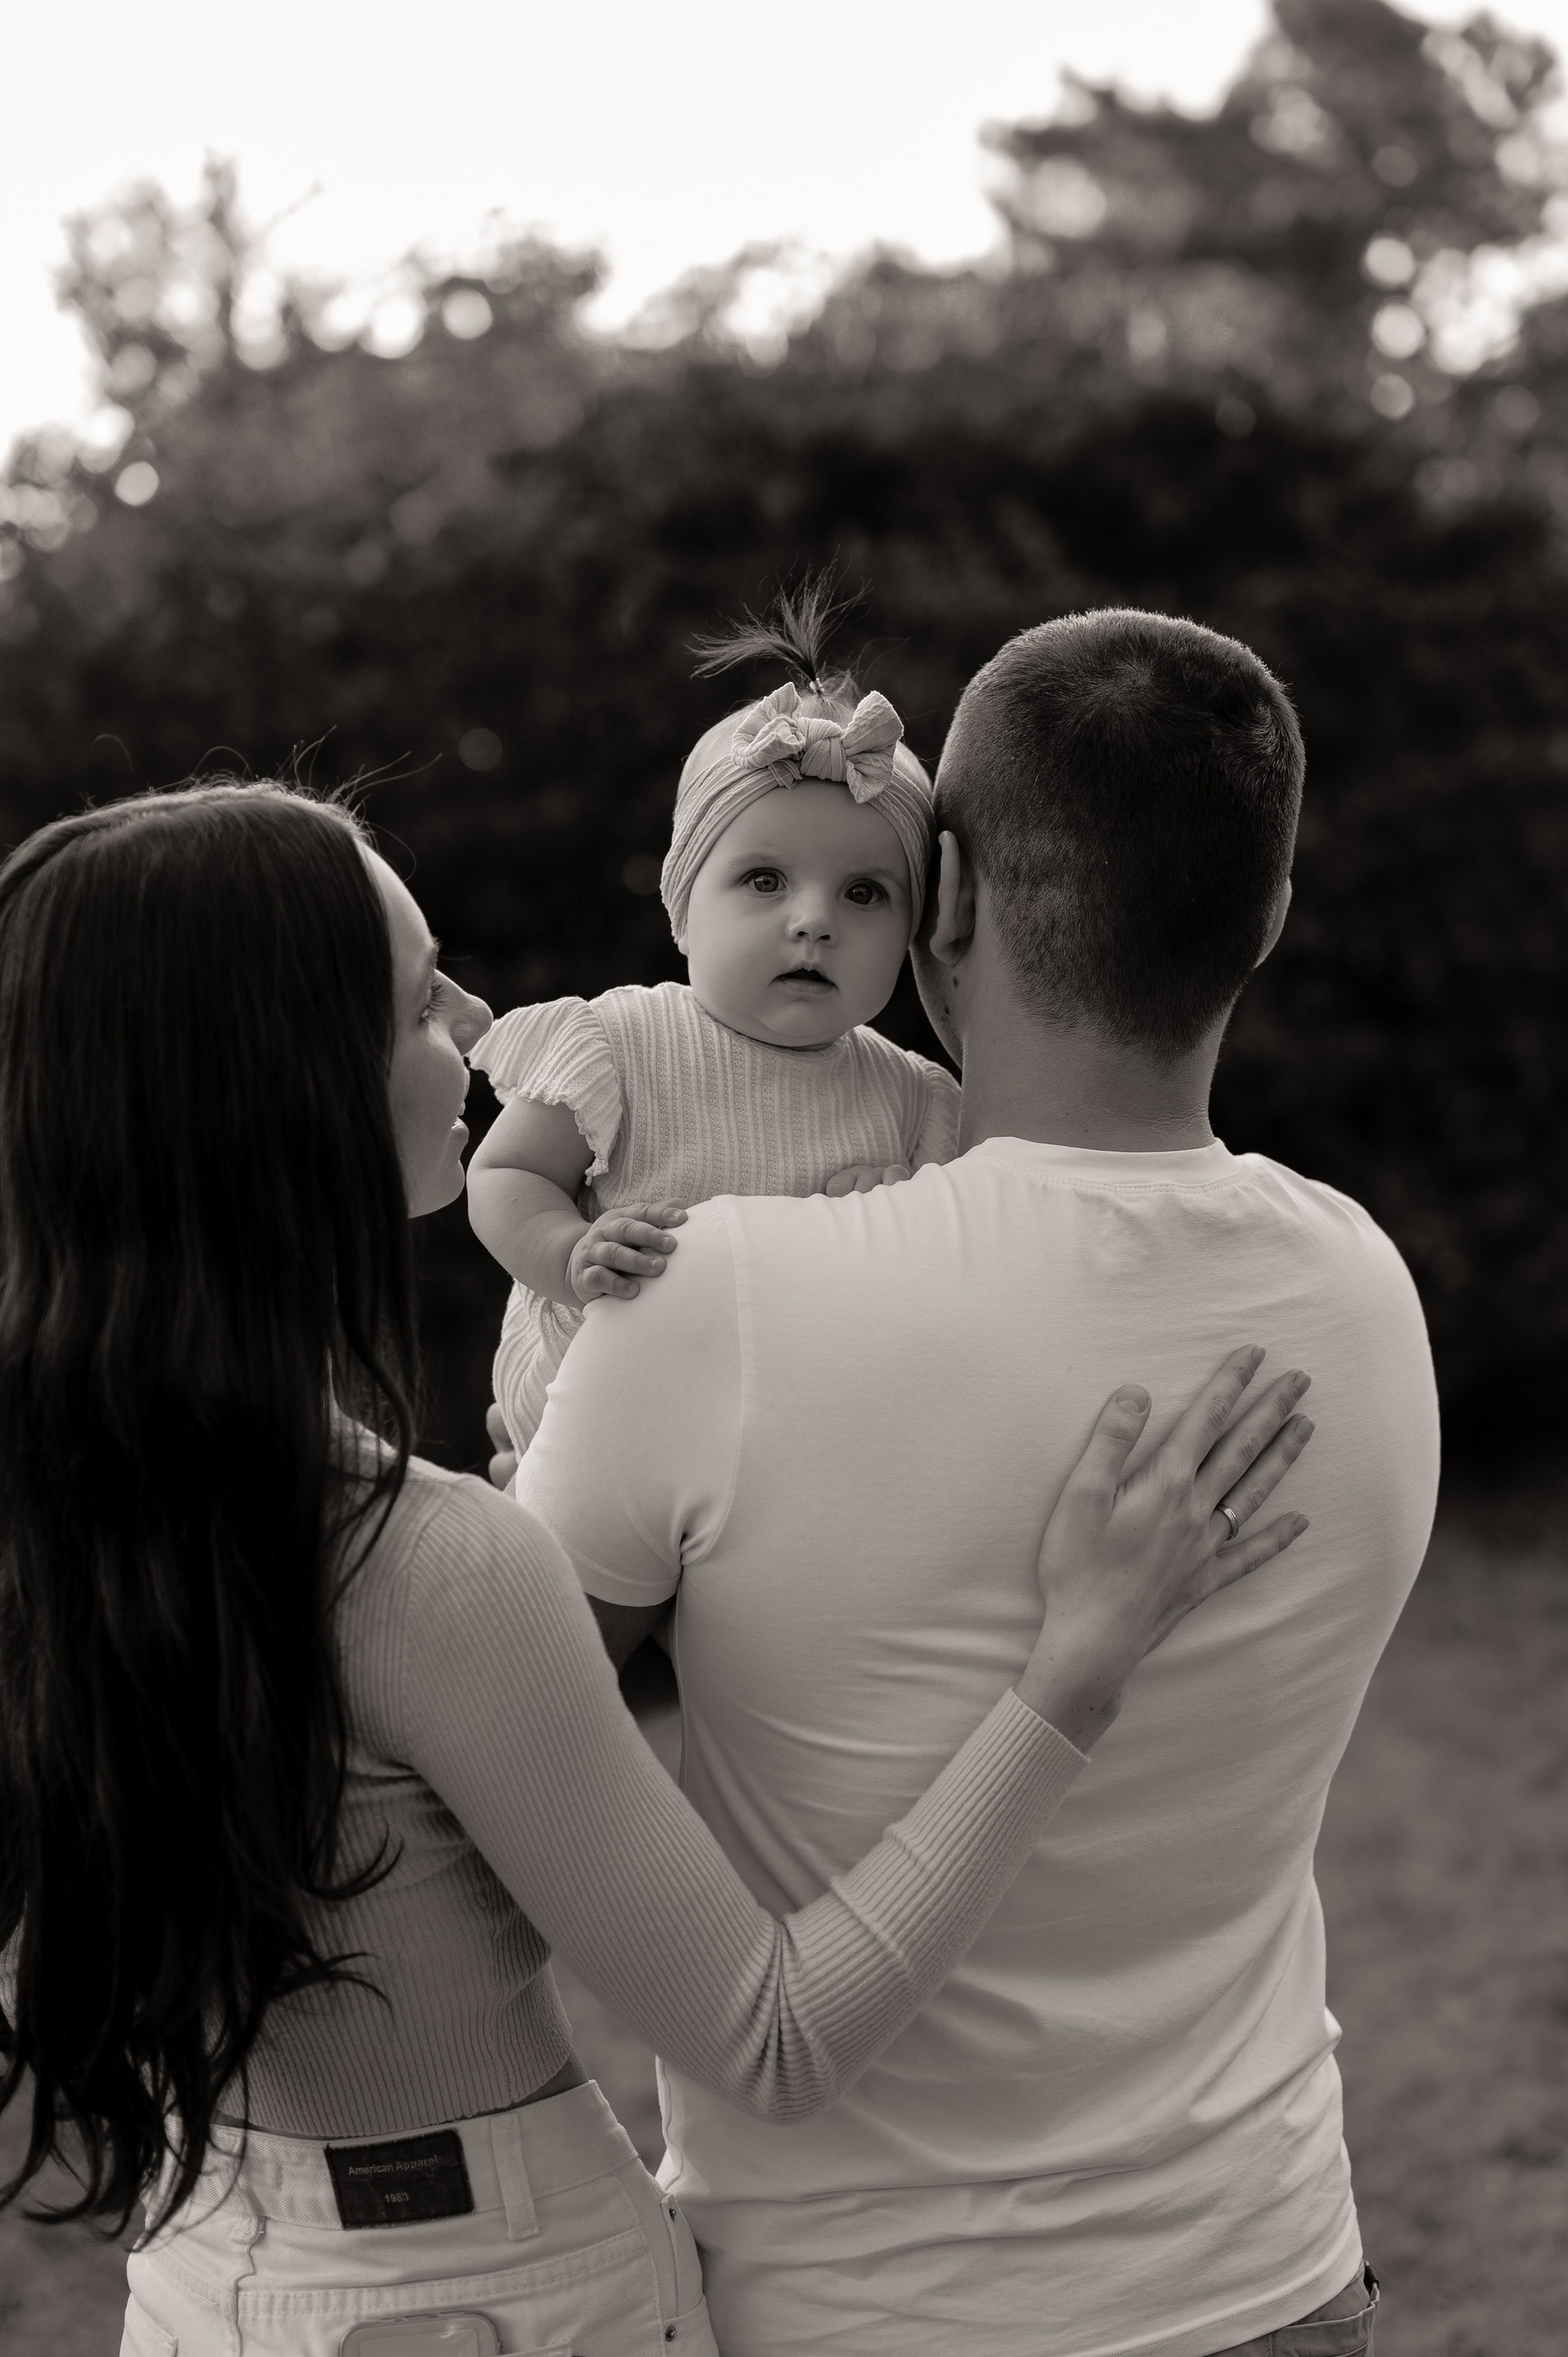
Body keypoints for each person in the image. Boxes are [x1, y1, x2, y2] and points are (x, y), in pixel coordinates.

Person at [0, 782, 1315, 2357]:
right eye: (420, 999)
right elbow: (774, 2034)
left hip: (204, 2288)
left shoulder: (59, 1522)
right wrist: (1075, 1666)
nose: (478, 1024)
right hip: (508, 2299)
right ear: (282, 1090)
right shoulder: (423, 1569)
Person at [516, 610, 1441, 2357]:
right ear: (1266, 920)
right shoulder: (1362, 1292)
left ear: (942, 903)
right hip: (1273, 2277)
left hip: (864, 2312)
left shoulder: (713, 1296)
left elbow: (469, 1768)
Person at [466, 581, 959, 1459]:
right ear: (683, 907)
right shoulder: (619, 1044)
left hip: (796, 1444)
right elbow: (506, 1174)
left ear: (913, 932)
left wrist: (900, 1228)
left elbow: (959, 1285)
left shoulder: (915, 1102)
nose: (814, 921)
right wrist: (569, 1250)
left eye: (864, 893)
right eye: (765, 880)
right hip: (602, 1416)